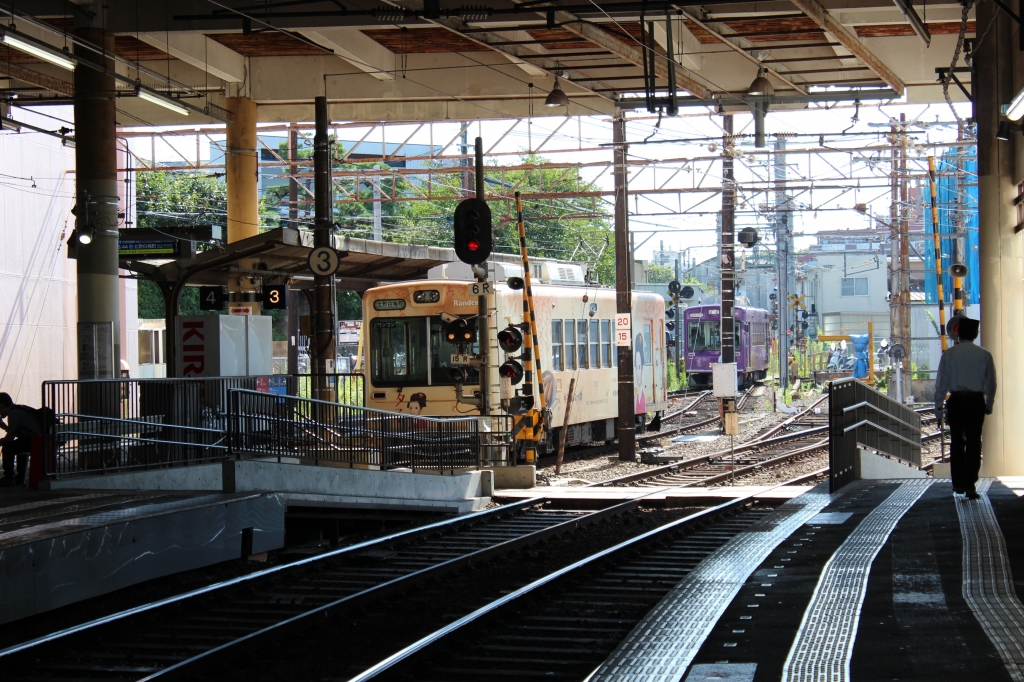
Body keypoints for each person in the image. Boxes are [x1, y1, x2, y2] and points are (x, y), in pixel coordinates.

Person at [934, 318, 996, 499]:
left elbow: (941, 384)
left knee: (957, 443)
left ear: (958, 334)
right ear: (975, 334)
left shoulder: (949, 354)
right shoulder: (985, 354)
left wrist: (938, 408)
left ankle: (958, 484)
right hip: (976, 401)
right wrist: (989, 404)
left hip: (956, 402)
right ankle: (970, 485)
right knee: (974, 442)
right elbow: (991, 383)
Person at [0, 393, 43, 487]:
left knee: (7, 447)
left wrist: (1, 442)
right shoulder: (18, 409)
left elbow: (10, 437)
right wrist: (3, 426)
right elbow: (15, 432)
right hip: (38, 439)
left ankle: (9, 477)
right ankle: (20, 477)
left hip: (35, 441)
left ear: (2, 406)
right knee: (18, 446)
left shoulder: (13, 414)